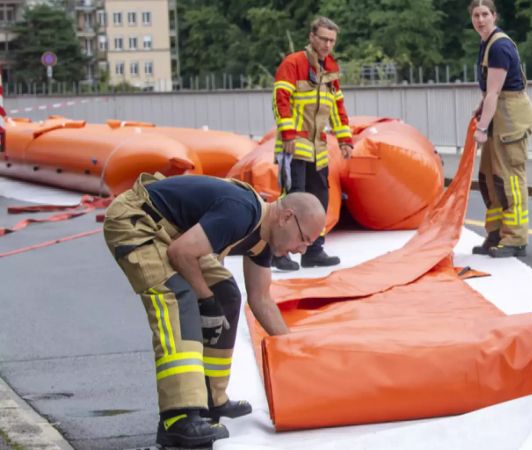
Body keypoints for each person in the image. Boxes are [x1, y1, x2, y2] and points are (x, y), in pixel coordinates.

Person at [103, 173, 324, 447]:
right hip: (137, 223)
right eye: (304, 239)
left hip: (171, 233)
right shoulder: (241, 212)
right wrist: (204, 298)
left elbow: (261, 300)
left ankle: (211, 400)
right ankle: (178, 418)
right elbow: (181, 253)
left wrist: (294, 352)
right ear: (286, 217)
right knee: (178, 298)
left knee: (226, 295)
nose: (302, 250)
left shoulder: (262, 238)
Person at [270, 15, 352, 271]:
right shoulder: (293, 63)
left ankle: (314, 251)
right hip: (295, 147)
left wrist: (345, 139)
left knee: (319, 201)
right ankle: (278, 252)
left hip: (319, 149)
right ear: (312, 37)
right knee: (292, 201)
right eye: (324, 39)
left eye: (332, 41)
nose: (328, 45)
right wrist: (288, 135)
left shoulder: (330, 69)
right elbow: (280, 99)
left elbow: (337, 106)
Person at [468, 0, 532, 258]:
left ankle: (516, 238)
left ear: (494, 16)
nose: (481, 19)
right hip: (500, 111)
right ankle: (495, 233)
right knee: (489, 178)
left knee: (510, 179)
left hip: (510, 116)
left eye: (485, 14)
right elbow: (489, 92)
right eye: (476, 15)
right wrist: (480, 108)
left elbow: (495, 91)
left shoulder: (499, 46)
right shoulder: (486, 43)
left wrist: (482, 127)